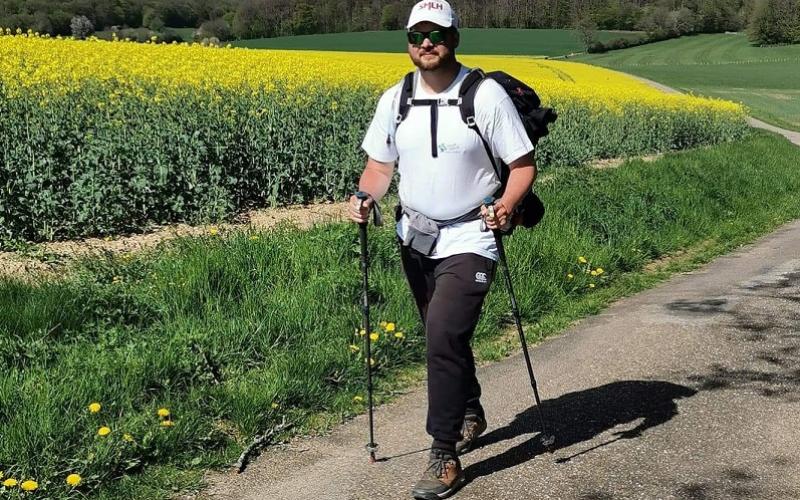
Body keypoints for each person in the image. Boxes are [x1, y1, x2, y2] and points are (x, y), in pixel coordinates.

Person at [347, 1, 537, 498]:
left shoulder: (484, 95)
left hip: (472, 234)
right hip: (415, 235)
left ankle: (443, 453)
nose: (425, 43)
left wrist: (506, 205)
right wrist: (367, 195)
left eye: (436, 33)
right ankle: (469, 409)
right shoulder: (396, 98)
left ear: (455, 38)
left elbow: (522, 165)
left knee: (442, 335)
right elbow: (379, 166)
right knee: (443, 336)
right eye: (416, 35)